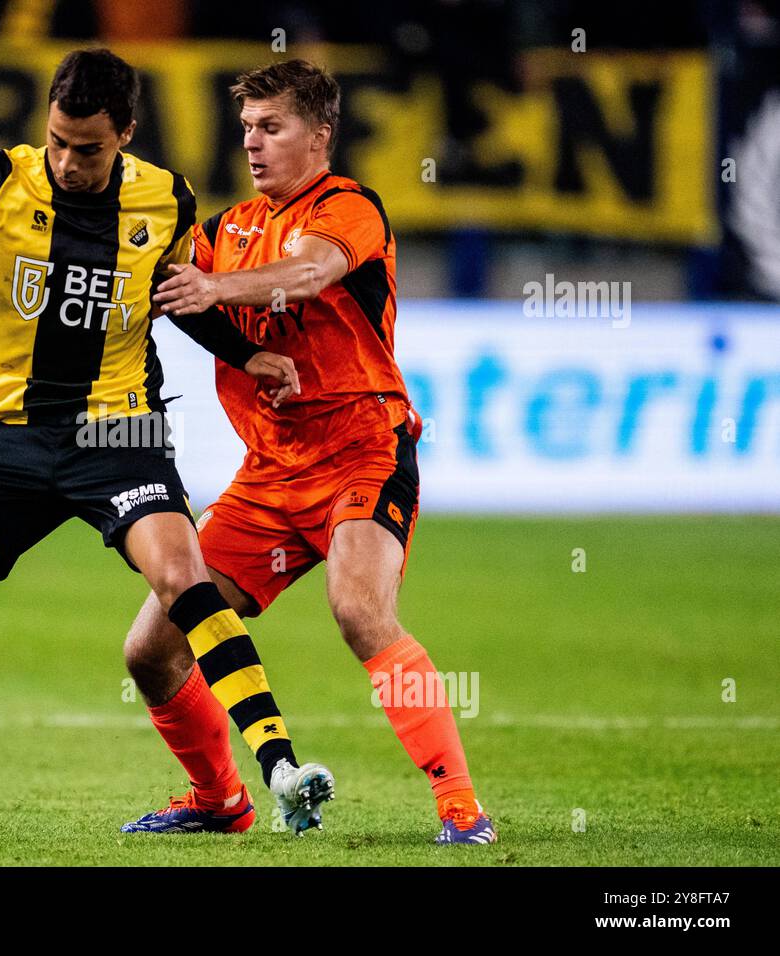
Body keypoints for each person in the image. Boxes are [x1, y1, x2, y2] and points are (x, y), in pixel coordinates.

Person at [0, 48, 331, 838]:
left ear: (126, 133)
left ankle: (283, 769)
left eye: (89, 148)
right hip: (11, 436)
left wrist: (248, 354)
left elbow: (182, 298)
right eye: (58, 141)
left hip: (121, 430)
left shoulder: (167, 198)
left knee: (181, 574)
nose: (68, 161)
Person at [123, 59, 496, 844]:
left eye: (272, 127)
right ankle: (217, 800)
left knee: (360, 607)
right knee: (152, 650)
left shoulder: (349, 207)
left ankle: (462, 809)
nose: (253, 145)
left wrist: (217, 289)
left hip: (364, 447)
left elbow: (313, 271)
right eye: (247, 128)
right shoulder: (225, 229)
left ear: (319, 133)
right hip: (268, 474)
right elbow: (162, 278)